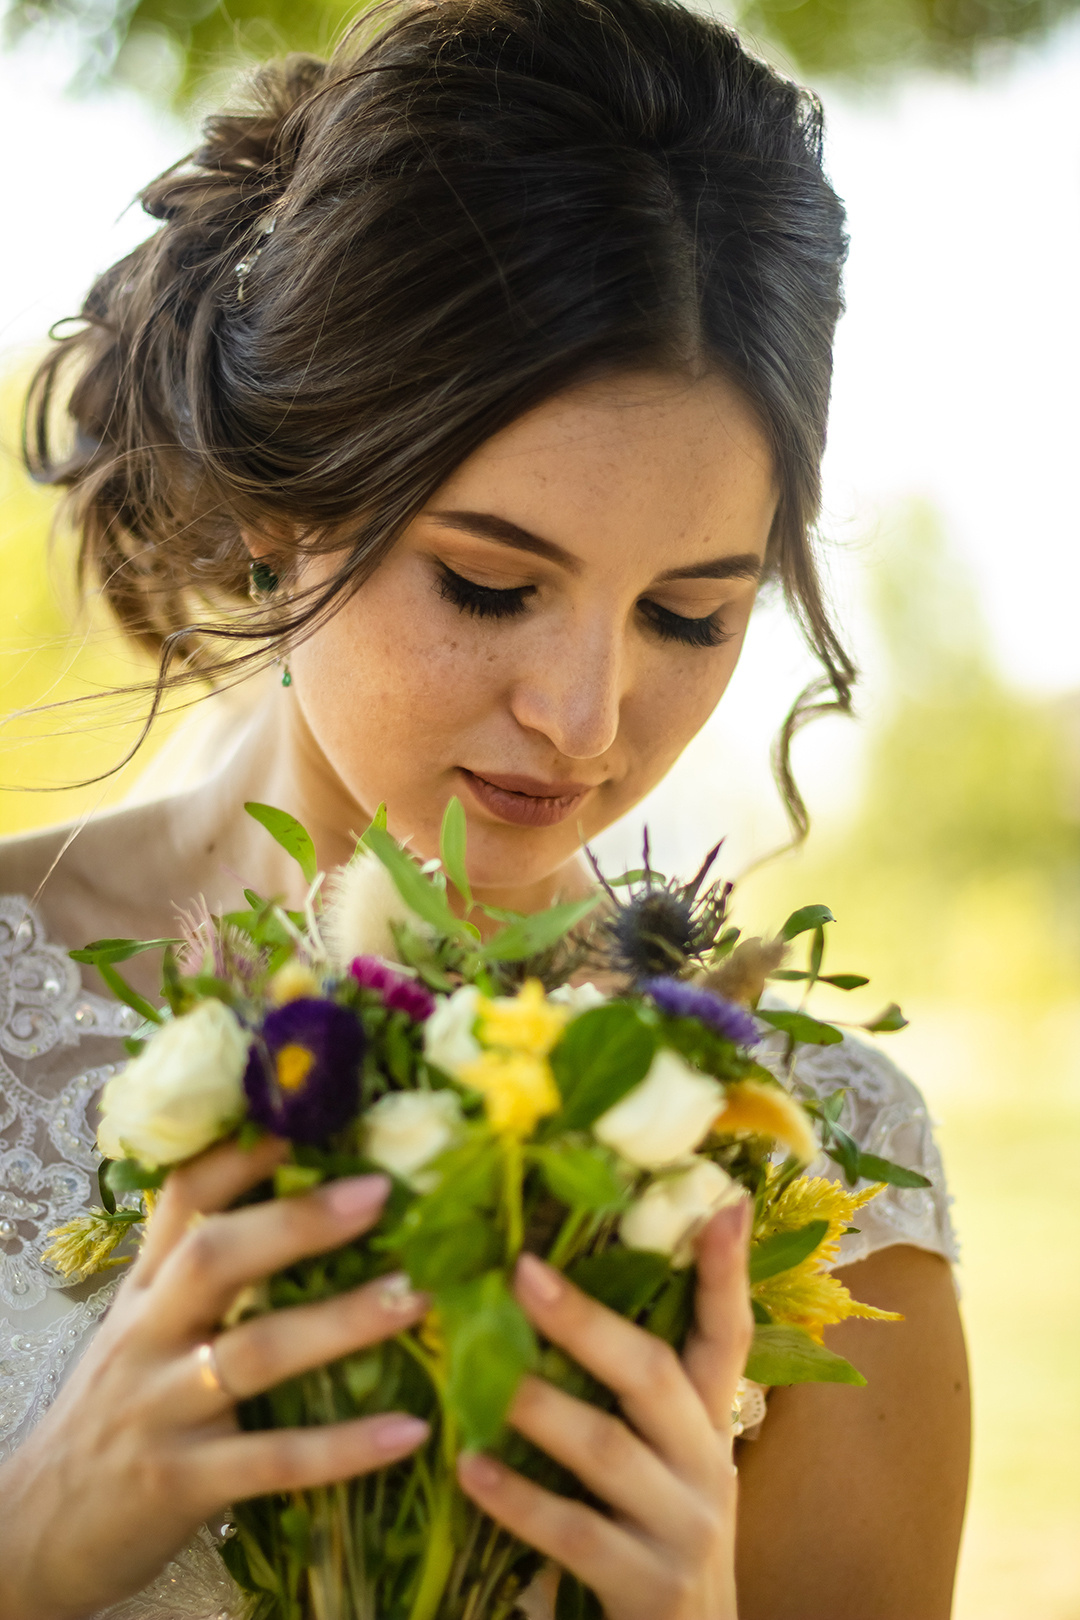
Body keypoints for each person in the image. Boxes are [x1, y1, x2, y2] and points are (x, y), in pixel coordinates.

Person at [0, 0, 970, 1614]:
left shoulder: (830, 1174)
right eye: (491, 582)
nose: (585, 721)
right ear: (267, 510)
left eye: (688, 616)